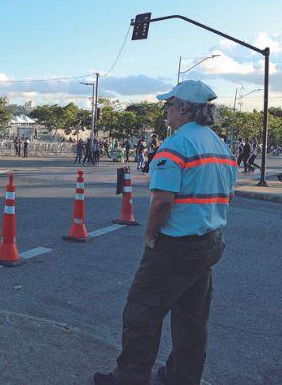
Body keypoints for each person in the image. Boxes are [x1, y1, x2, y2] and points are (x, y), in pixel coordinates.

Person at [94, 80, 237, 385]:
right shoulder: (220, 146)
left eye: (169, 104)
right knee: (192, 318)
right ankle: (182, 377)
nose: (166, 110)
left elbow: (162, 201)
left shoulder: (176, 145)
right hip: (210, 243)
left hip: (177, 245)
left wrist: (150, 235)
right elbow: (227, 195)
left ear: (185, 108)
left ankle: (130, 378)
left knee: (142, 311)